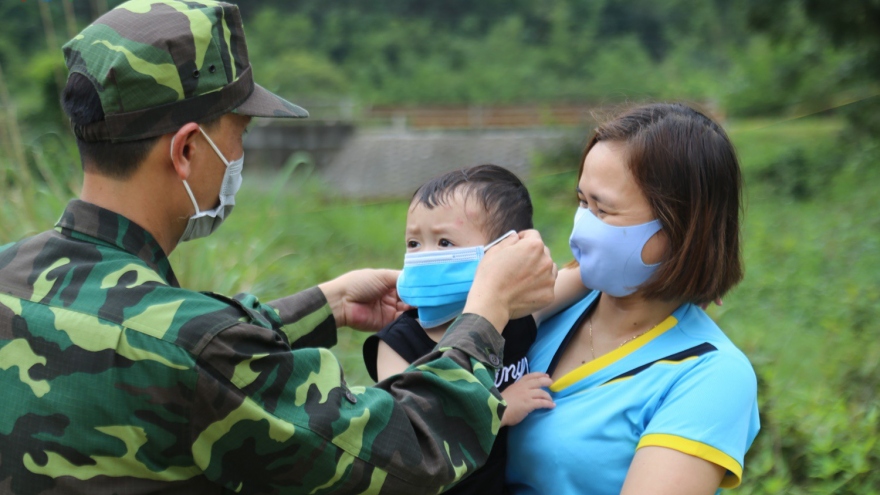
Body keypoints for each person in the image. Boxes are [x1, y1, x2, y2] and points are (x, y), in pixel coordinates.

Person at [0, 2, 558, 494]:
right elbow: (412, 450)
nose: (241, 153)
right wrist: (487, 311)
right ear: (187, 150)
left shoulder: (11, 271)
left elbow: (176, 342)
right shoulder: (193, 345)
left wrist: (327, 304)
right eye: (239, 133)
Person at [506, 103, 760, 495]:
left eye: (604, 210)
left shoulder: (711, 376)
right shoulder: (551, 310)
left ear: (681, 227)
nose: (583, 224)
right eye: (581, 202)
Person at [363, 164, 586, 494]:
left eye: (444, 242)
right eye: (413, 243)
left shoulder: (519, 314)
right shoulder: (398, 344)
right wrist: (499, 409)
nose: (424, 257)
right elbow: (403, 438)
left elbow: (586, 274)